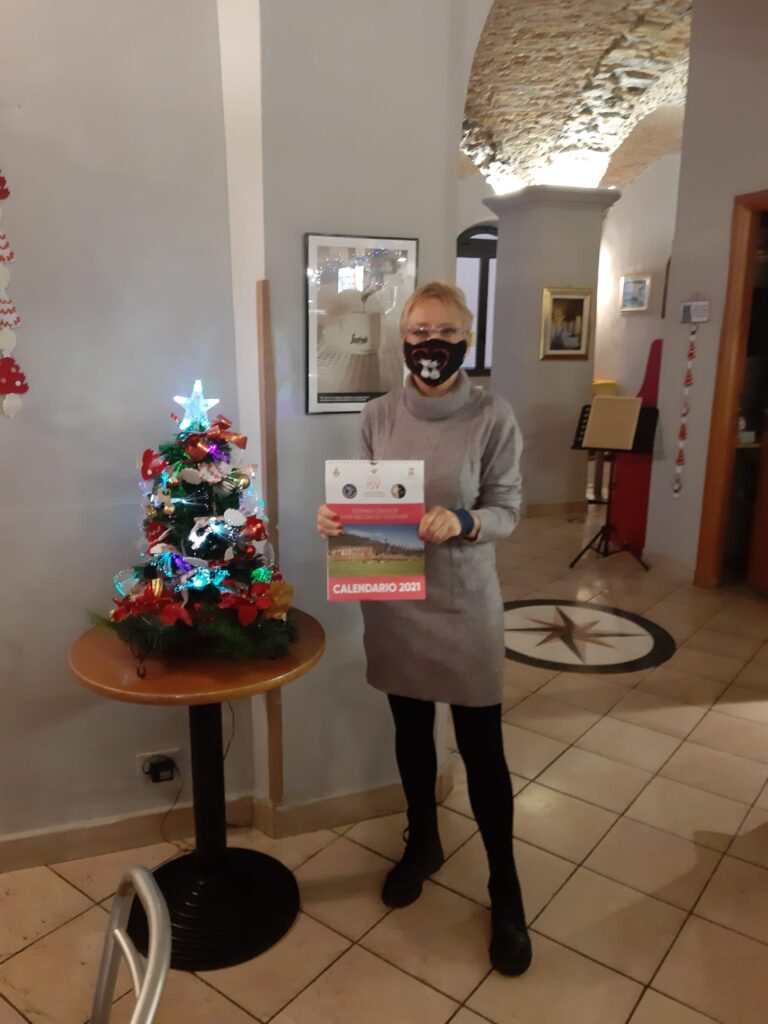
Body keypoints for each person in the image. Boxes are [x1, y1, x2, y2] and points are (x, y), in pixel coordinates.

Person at [316, 281, 530, 976]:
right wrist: (336, 518)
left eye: (444, 331)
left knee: (483, 751)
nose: (429, 343)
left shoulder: (493, 417)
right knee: (410, 732)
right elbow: (367, 503)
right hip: (394, 597)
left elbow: (507, 508)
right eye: (417, 332)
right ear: (401, 339)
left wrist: (465, 520)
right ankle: (424, 842)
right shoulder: (378, 414)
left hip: (464, 602)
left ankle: (505, 889)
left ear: (465, 338)